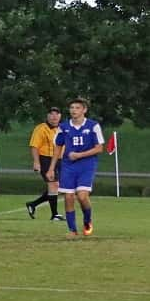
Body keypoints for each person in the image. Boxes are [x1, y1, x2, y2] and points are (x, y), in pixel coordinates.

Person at [47, 98, 104, 236]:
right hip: (68, 166)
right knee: (68, 197)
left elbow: (99, 148)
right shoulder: (64, 127)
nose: (74, 110)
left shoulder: (93, 126)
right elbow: (58, 147)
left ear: (84, 110)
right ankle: (72, 230)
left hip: (87, 165)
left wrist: (80, 155)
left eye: (77, 108)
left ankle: (87, 220)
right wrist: (51, 168)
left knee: (82, 196)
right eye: (72, 107)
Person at [25, 107, 65, 221]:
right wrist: (36, 162)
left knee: (59, 187)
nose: (54, 117)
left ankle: (33, 204)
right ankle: (55, 215)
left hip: (60, 160)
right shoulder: (41, 128)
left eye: (57, 114)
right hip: (45, 159)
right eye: (51, 114)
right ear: (47, 116)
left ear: (60, 116)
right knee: (53, 185)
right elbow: (34, 146)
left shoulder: (63, 128)